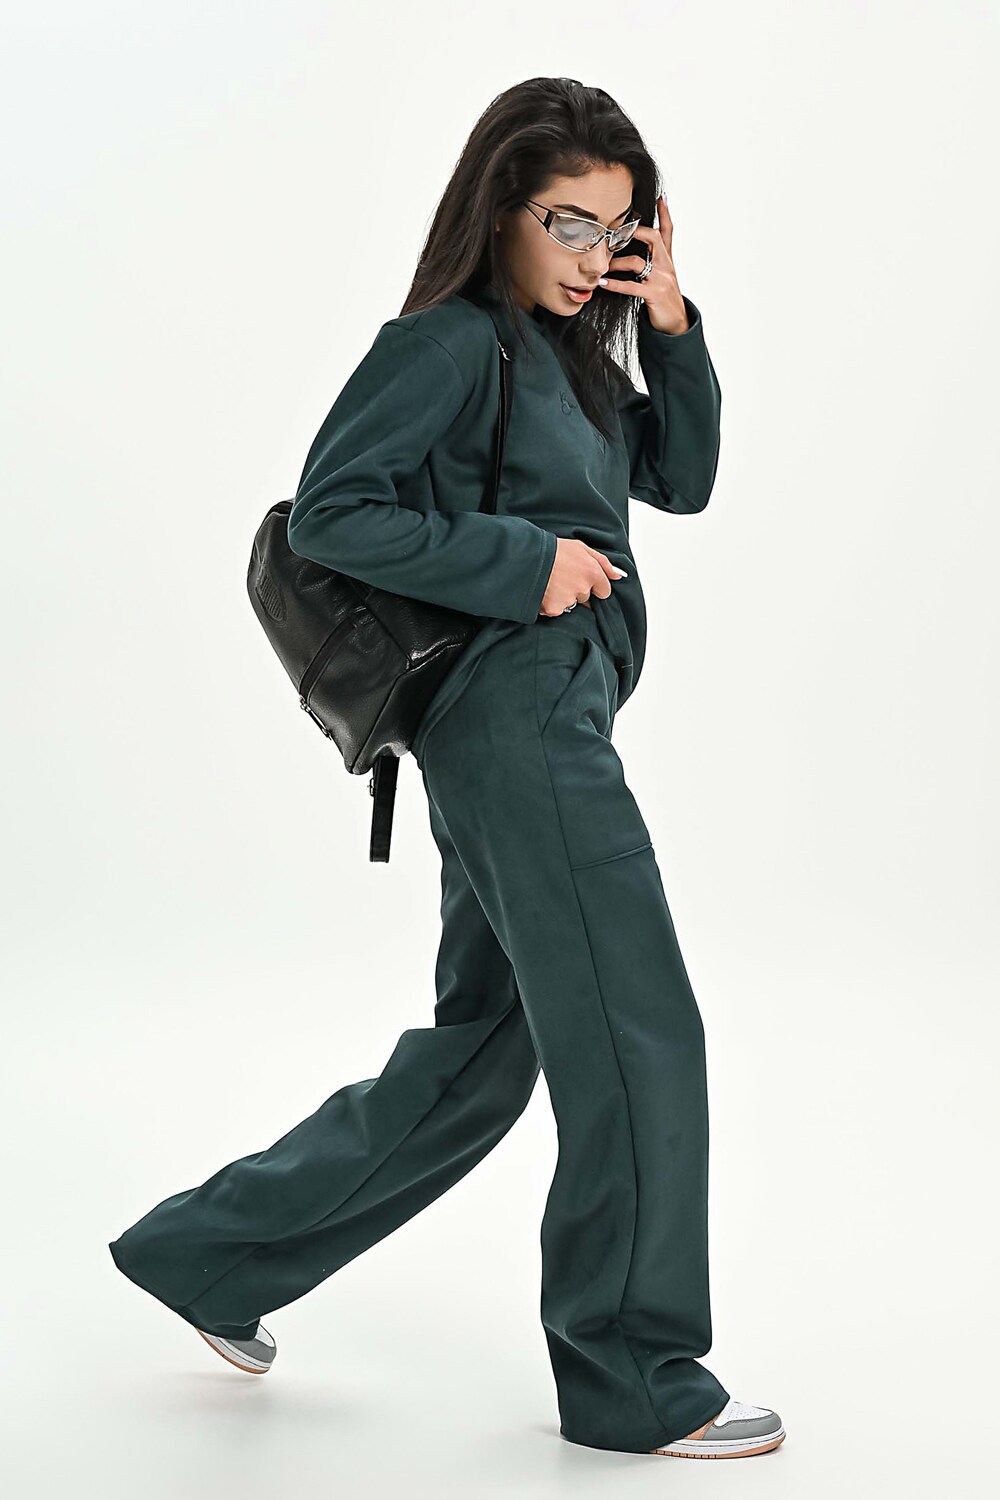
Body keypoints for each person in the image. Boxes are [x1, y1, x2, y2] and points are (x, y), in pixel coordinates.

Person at [108, 76, 785, 1462]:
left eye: (618, 227)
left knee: (484, 1052)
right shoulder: (446, 342)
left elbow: (684, 477)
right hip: (514, 715)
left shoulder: (572, 356)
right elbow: (334, 511)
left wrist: (670, 322)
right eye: (567, 222)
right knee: (640, 1025)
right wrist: (526, 562)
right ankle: (634, 1375)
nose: (592, 252)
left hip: (545, 719)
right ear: (503, 208)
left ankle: (209, 1257)